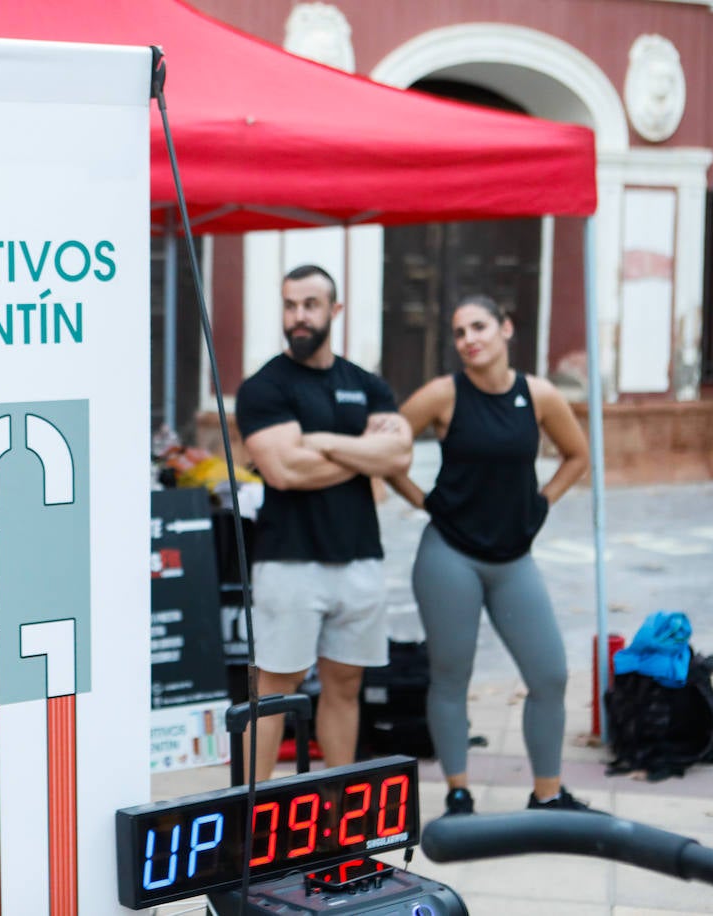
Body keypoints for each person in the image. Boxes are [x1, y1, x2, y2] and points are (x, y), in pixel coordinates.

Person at [385, 294, 595, 815]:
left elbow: (578, 456)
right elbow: (386, 452)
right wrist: (424, 500)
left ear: (505, 329)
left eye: (478, 327)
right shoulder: (441, 394)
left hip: (513, 559)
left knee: (549, 675)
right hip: (449, 556)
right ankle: (458, 792)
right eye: (459, 333)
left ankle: (547, 794)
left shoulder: (540, 395)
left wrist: (542, 502)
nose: (469, 339)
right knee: (452, 676)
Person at [235, 264, 413, 780]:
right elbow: (285, 470)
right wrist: (365, 453)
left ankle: (339, 811)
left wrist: (325, 442)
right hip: (289, 561)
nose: (298, 316)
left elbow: (400, 456)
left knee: (345, 686)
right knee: (273, 690)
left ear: (334, 310)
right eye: (290, 305)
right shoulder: (264, 387)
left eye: (310, 305)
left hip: (359, 557)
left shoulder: (367, 384)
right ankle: (255, 816)